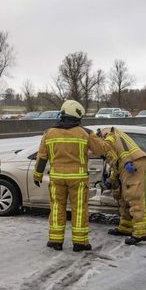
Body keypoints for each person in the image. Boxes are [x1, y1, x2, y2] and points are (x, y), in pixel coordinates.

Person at [32, 100, 111, 252]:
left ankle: (55, 241)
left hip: (57, 179)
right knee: (79, 209)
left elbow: (42, 157)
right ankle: (80, 243)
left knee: (56, 208)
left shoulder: (49, 133)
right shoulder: (85, 133)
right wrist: (104, 139)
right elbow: (101, 150)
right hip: (78, 179)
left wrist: (37, 175)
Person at [100, 125, 146, 245]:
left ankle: (141, 232)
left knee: (134, 198)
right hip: (128, 164)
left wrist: (128, 161)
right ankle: (126, 227)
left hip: (133, 163)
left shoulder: (107, 136)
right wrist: (111, 179)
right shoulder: (108, 135)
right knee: (124, 198)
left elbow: (120, 146)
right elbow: (116, 164)